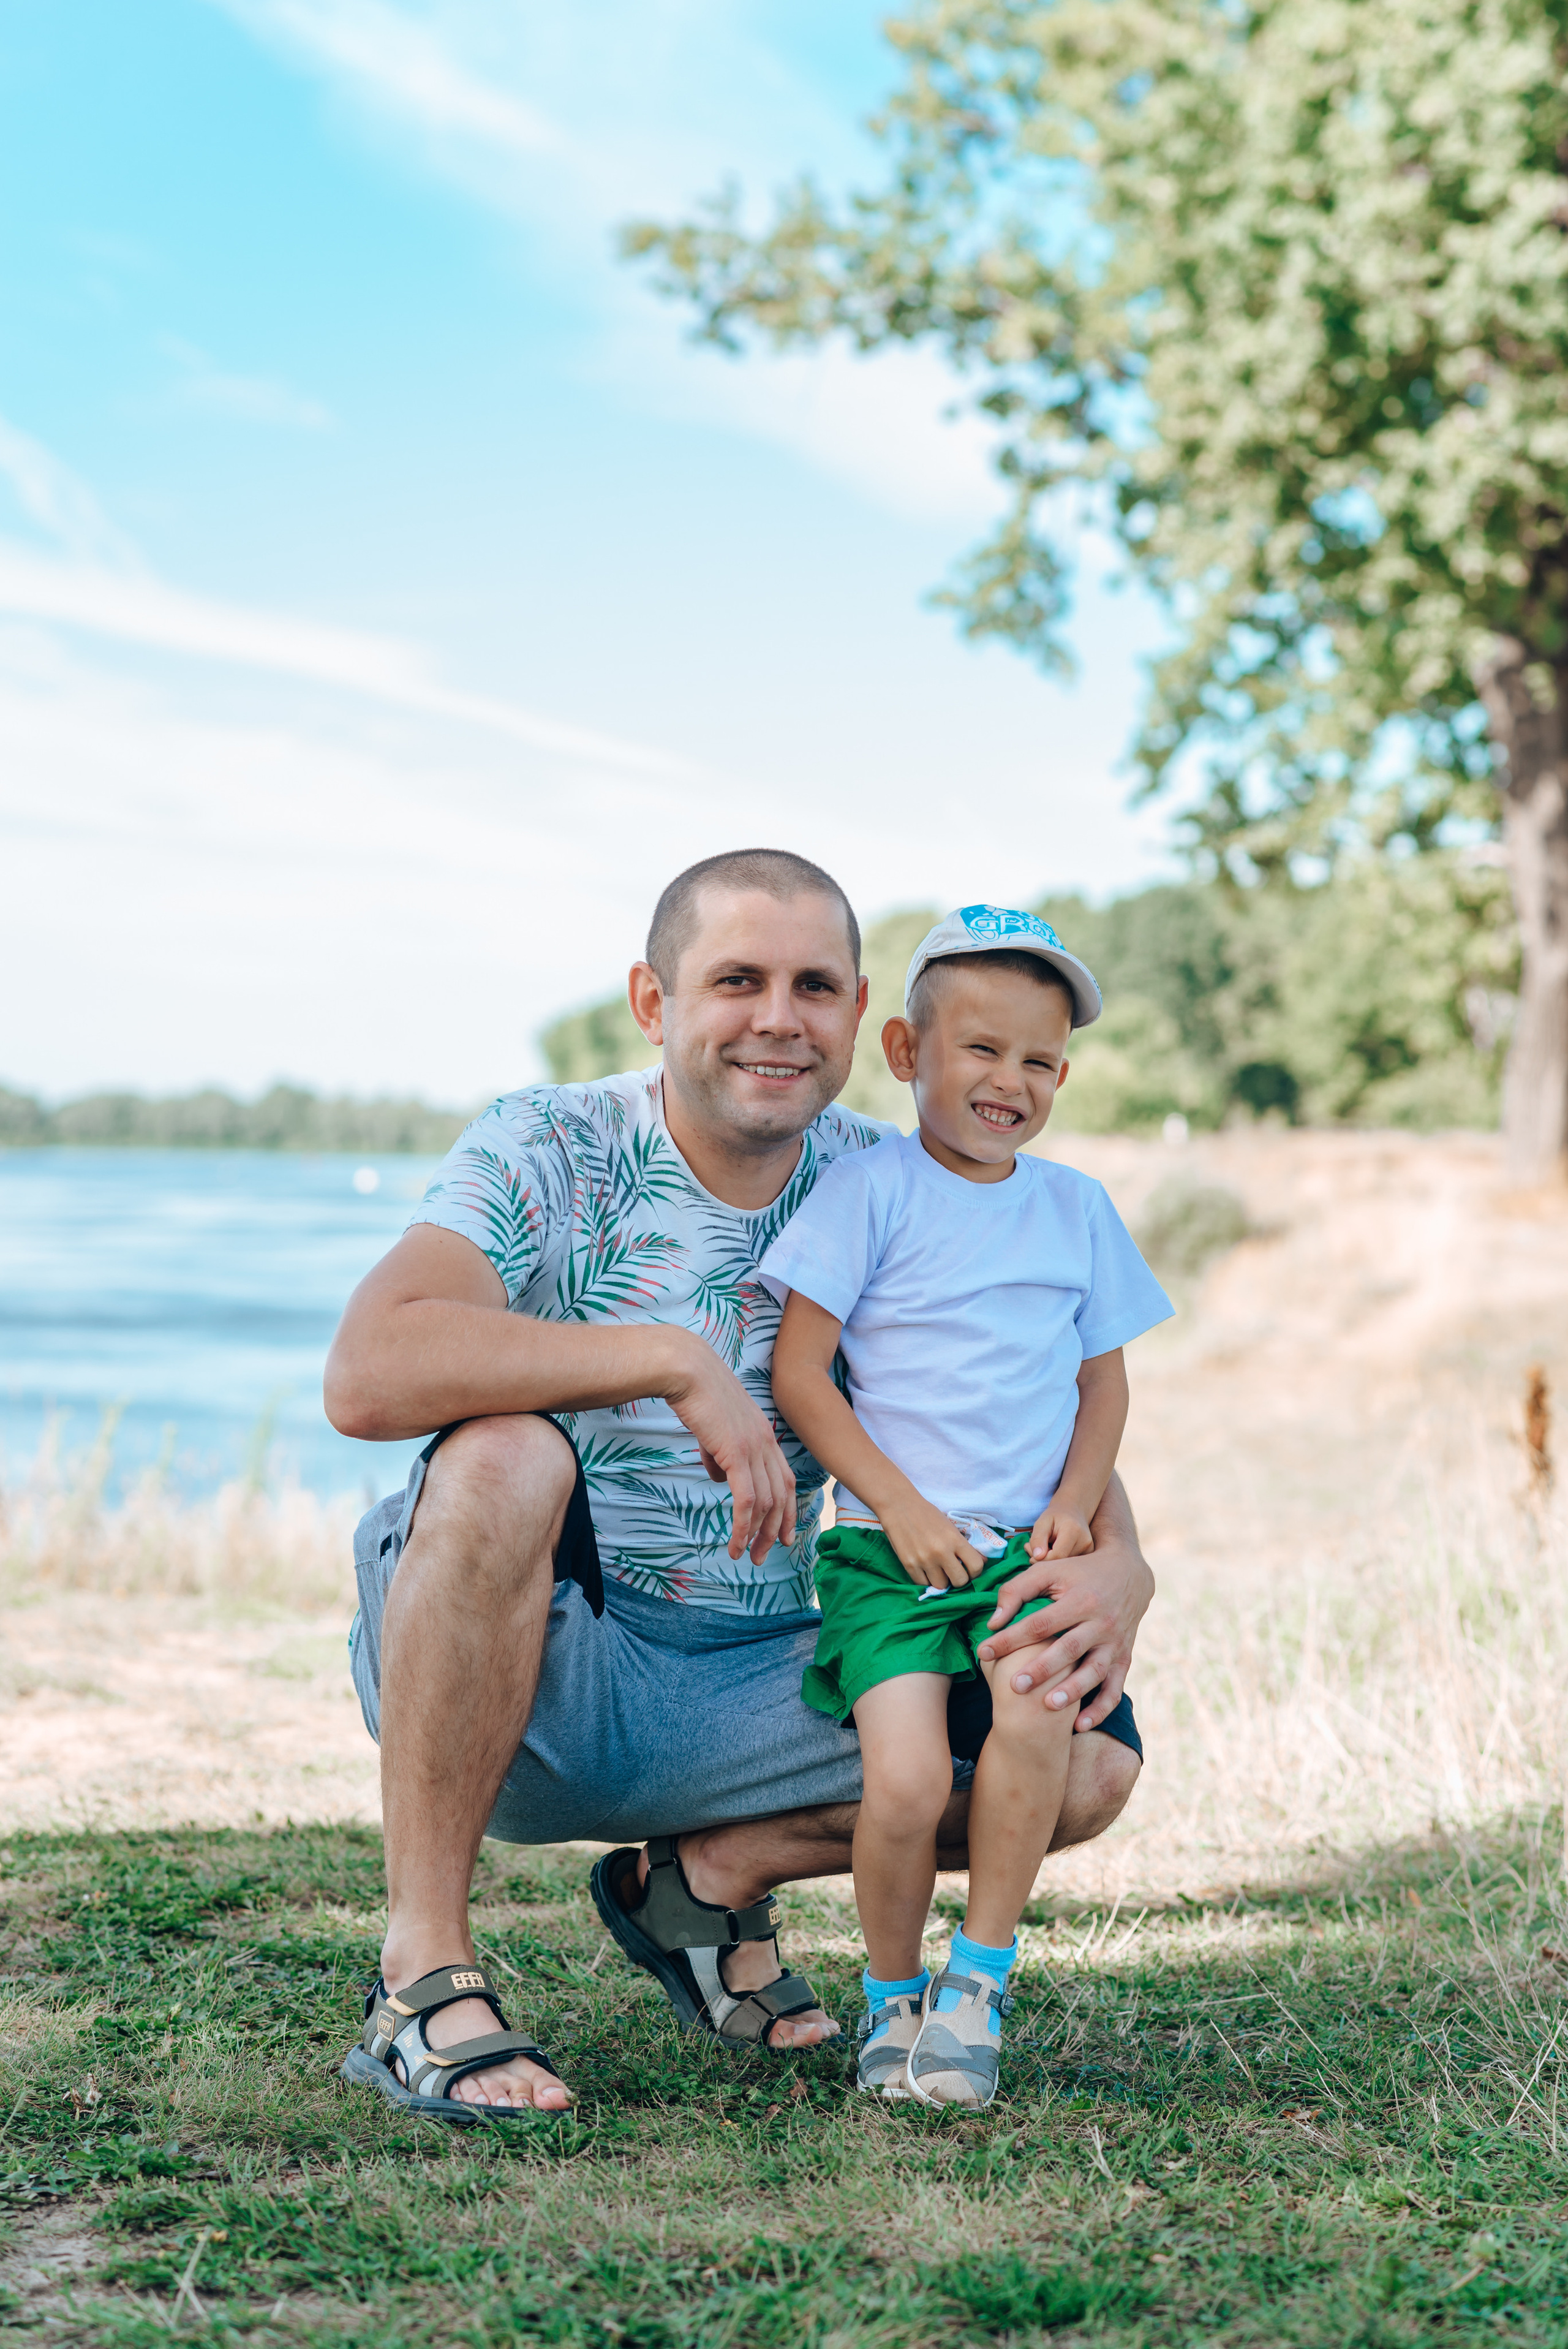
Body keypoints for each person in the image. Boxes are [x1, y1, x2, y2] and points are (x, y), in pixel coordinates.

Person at [325, 853, 1154, 2120]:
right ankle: (422, 1977)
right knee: (505, 1452)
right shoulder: (549, 1141)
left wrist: (1118, 1560)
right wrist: (672, 1361)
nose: (778, 1017)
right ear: (654, 1004)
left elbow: (1026, 1402)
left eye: (811, 984)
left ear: (861, 1016)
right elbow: (367, 1374)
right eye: (736, 979)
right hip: (548, 1671)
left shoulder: (905, 1178)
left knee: (1081, 1758)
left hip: (767, 1671)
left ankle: (701, 1882)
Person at [761, 907, 1172, 2106]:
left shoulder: (1074, 1209)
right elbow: (800, 1374)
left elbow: (1102, 1380)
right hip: (889, 1554)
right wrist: (896, 1510)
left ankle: (975, 1986)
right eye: (980, 1050)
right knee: (903, 1784)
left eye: (1038, 1062)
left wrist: (1078, 1508)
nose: (1010, 1082)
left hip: (1021, 1550)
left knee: (1033, 1723)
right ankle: (890, 2002)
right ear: (904, 1052)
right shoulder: (866, 1194)